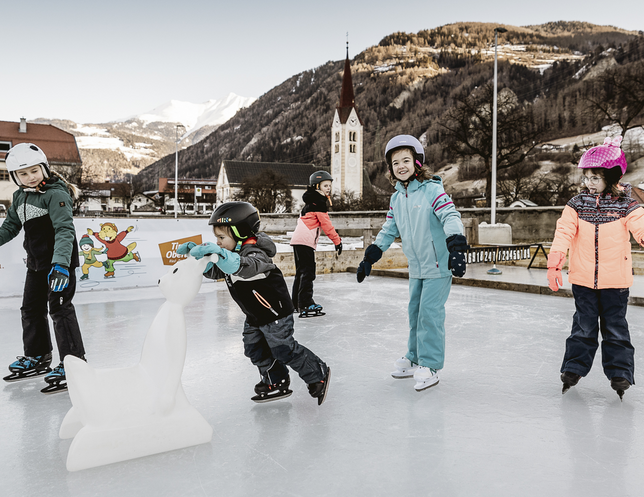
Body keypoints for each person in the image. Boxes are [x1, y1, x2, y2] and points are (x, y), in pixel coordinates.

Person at [546, 135, 644, 399]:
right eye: (586, 177)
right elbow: (563, 233)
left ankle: (620, 373)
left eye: (595, 178)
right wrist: (555, 261)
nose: (588, 183)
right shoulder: (576, 205)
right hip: (583, 281)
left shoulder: (626, 205)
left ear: (611, 176)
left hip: (615, 283)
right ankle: (573, 369)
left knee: (616, 329)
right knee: (583, 328)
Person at [177, 201, 332, 405]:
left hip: (275, 313)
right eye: (217, 238)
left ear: (241, 233)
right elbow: (217, 270)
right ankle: (276, 381)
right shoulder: (231, 254)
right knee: (254, 349)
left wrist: (222, 255)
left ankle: (317, 372)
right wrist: (199, 257)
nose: (219, 242)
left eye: (222, 237)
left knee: (283, 349)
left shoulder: (255, 253)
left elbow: (246, 267)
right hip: (255, 314)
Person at [0, 142, 85, 394]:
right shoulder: (20, 196)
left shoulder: (56, 194)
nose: (30, 177)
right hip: (36, 264)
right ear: (14, 176)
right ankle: (37, 356)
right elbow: (10, 226)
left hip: (59, 264)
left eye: (34, 171)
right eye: (23, 174)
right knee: (31, 309)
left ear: (44, 168)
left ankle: (74, 363)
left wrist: (61, 265)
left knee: (60, 310)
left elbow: (64, 231)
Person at [356, 135, 468, 391]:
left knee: (430, 315)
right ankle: (415, 357)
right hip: (416, 269)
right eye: (395, 163)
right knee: (415, 314)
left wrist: (457, 246)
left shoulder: (432, 190)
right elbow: (388, 230)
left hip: (439, 266)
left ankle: (430, 365)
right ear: (391, 169)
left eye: (406, 160)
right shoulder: (397, 198)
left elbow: (450, 216)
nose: (401, 166)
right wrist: (371, 255)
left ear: (417, 163)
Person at [289, 169, 343, 318]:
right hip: (305, 242)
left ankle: (295, 304)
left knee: (301, 272)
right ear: (316, 187)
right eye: (325, 186)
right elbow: (327, 225)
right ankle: (305, 304)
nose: (328, 188)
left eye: (329, 186)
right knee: (308, 272)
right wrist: (337, 241)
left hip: (298, 240)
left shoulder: (308, 203)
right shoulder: (318, 203)